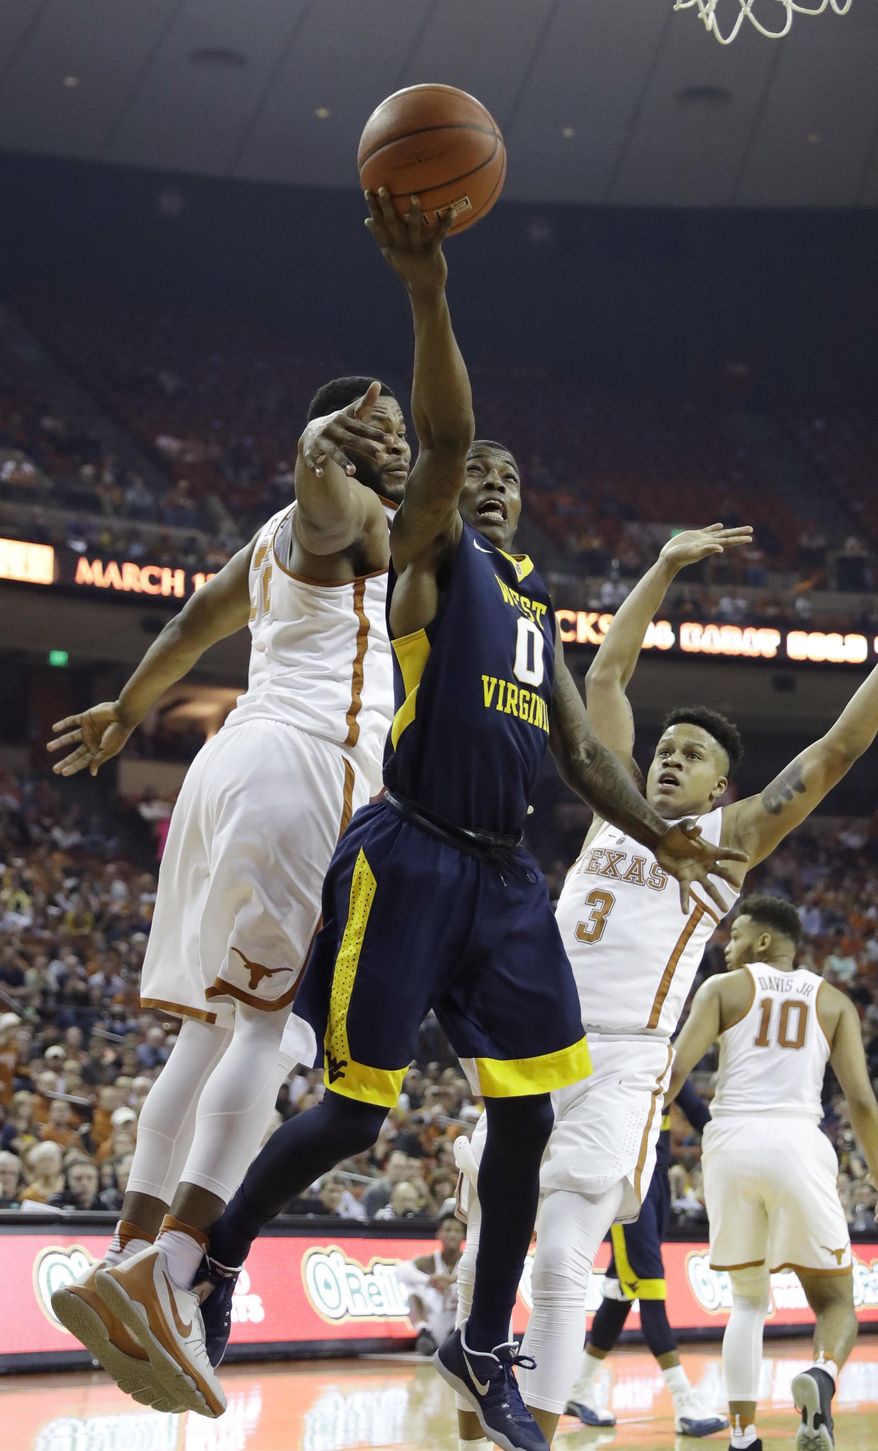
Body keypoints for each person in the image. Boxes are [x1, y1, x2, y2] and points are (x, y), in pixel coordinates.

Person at [94, 194, 740, 1449]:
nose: (486, 479)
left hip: (506, 882)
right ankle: (212, 1258)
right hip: (409, 848)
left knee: (528, 1116)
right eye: (473, 470)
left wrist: (655, 831)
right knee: (350, 1108)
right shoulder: (427, 554)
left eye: (507, 475)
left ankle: (483, 1340)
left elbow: (575, 748)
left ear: (527, 504)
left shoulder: (535, 606)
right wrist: (427, 290)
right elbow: (439, 431)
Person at [456, 522, 878, 1448]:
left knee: (566, 1245)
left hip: (627, 1058)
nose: (669, 758)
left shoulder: (729, 845)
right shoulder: (619, 810)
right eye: (666, 747)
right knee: (488, 1230)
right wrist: (661, 565)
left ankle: (540, 1429)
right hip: (533, 1034)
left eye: (691, 754)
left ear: (724, 785)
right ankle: (469, 1420)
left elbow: (837, 750)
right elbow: (605, 680)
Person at [46, 352, 411, 1394]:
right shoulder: (339, 517)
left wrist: (125, 708)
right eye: (370, 432)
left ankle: (129, 1244)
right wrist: (323, 441)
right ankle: (177, 1263)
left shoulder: (263, 542)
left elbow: (182, 627)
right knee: (272, 1026)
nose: (393, 447)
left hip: (226, 774)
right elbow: (325, 492)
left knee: (206, 1030)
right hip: (303, 771)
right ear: (335, 441)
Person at [668, 894, 878, 1451]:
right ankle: (822, 1375)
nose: (727, 947)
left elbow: (672, 1074)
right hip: (796, 1143)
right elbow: (861, 1101)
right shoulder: (834, 1002)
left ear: (763, 941)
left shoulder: (723, 990)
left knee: (746, 1301)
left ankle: (743, 1436)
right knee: (835, 1303)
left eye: (735, 937)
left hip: (730, 1142)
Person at [566, 1081, 723, 1435]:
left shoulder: (668, 1053)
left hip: (658, 1180)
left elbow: (698, 1112)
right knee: (650, 1285)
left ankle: (578, 1388)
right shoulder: (619, 1045)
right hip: (627, 1177)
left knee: (624, 1288)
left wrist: (733, 1142)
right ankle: (684, 1400)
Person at [395, 1212, 465, 1355]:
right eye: (448, 1230)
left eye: (457, 1231)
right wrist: (430, 1280)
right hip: (434, 1322)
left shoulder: (469, 1261)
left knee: (476, 1291)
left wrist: (451, 1280)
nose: (452, 1234)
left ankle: (456, 1336)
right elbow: (400, 1270)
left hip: (458, 1324)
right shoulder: (428, 1261)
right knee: (412, 1289)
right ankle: (424, 1331)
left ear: (464, 1236)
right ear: (438, 1234)